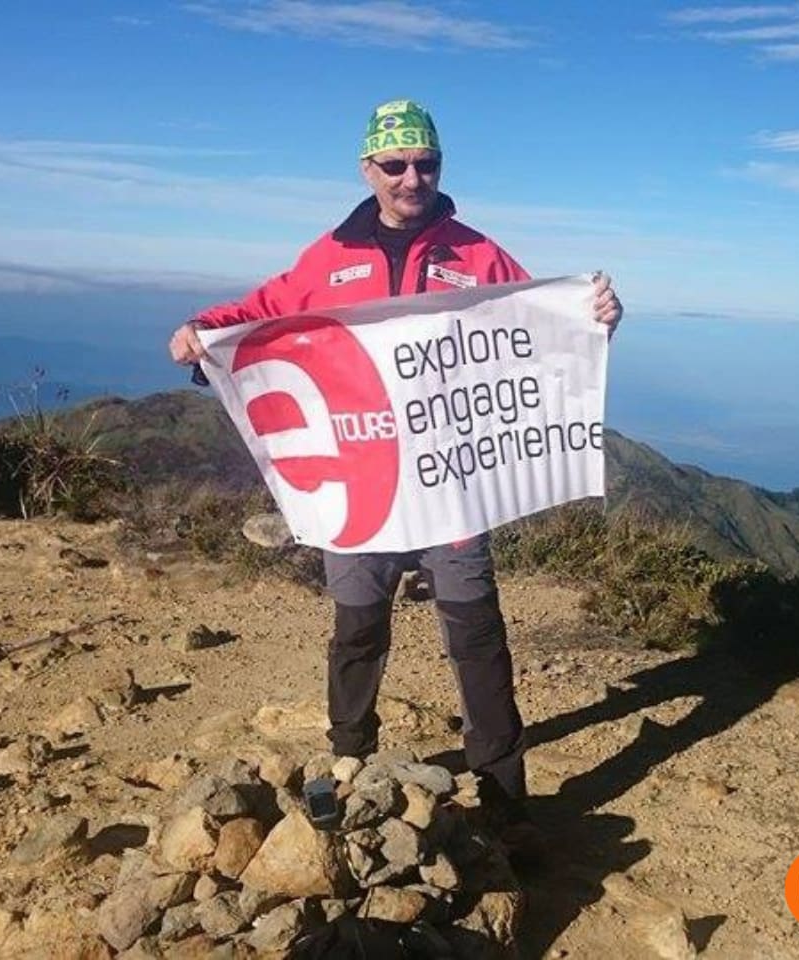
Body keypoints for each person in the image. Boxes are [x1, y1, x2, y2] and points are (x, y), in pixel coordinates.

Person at [169, 99, 622, 821]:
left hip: (453, 486)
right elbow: (260, 311)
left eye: (426, 163)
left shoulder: (479, 255)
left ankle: (504, 798)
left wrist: (592, 318)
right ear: (367, 169)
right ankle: (349, 760)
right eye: (395, 164)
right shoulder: (328, 257)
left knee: (477, 636)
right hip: (363, 485)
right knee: (357, 630)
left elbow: (536, 331)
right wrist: (202, 331)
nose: (412, 178)